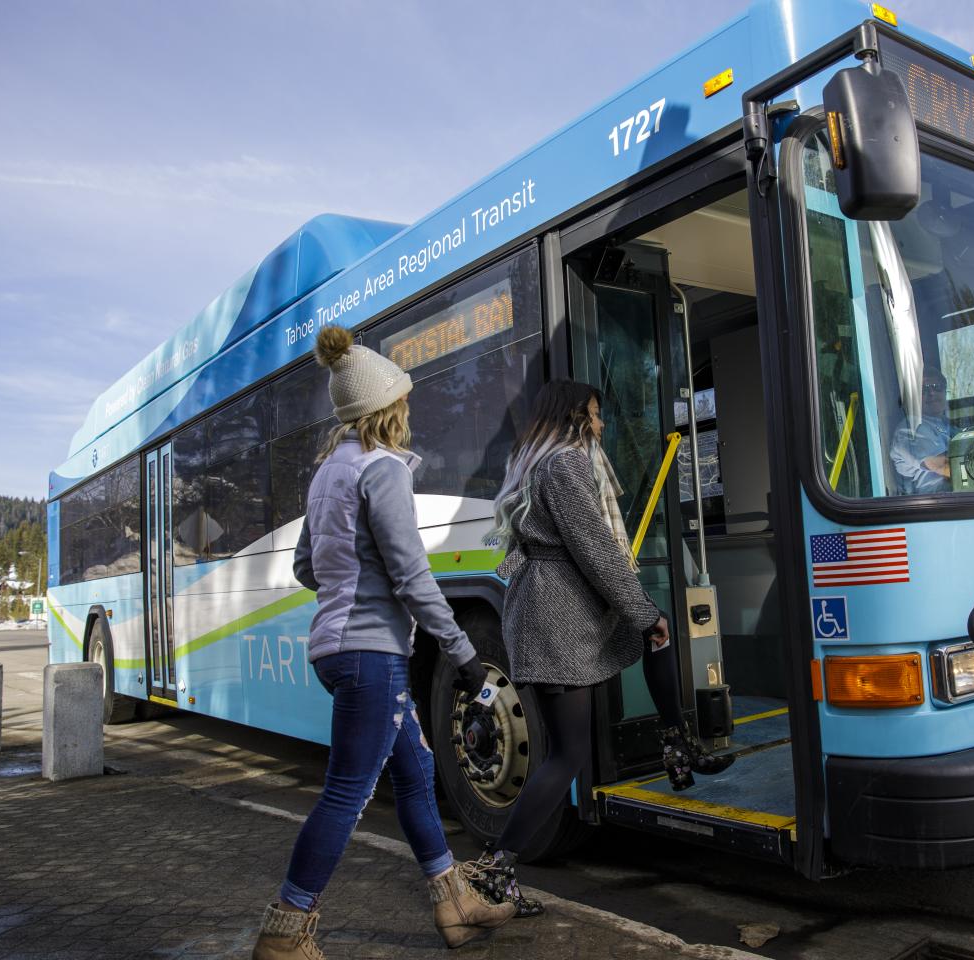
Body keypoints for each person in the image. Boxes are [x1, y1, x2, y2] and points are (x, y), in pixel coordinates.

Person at [251, 325, 514, 959]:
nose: (410, 408)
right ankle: (286, 928)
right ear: (386, 408)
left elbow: (306, 568)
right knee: (347, 790)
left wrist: (352, 576)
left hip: (338, 649)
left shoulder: (327, 475)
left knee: (418, 771)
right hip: (374, 656)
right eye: (404, 398)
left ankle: (454, 905)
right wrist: (464, 654)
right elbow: (411, 575)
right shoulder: (383, 471)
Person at [465, 380, 734, 915]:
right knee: (565, 756)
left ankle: (675, 743)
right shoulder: (564, 466)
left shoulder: (531, 461)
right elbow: (597, 552)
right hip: (558, 617)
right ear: (571, 417)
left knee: (649, 640)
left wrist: (642, 616)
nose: (601, 424)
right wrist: (642, 611)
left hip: (558, 610)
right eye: (594, 414)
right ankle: (491, 870)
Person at [890, 366, 952, 494]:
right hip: (934, 506)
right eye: (923, 390)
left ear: (945, 392)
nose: (932, 393)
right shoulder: (911, 428)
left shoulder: (949, 427)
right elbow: (946, 466)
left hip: (958, 498)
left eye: (937, 387)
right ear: (913, 398)